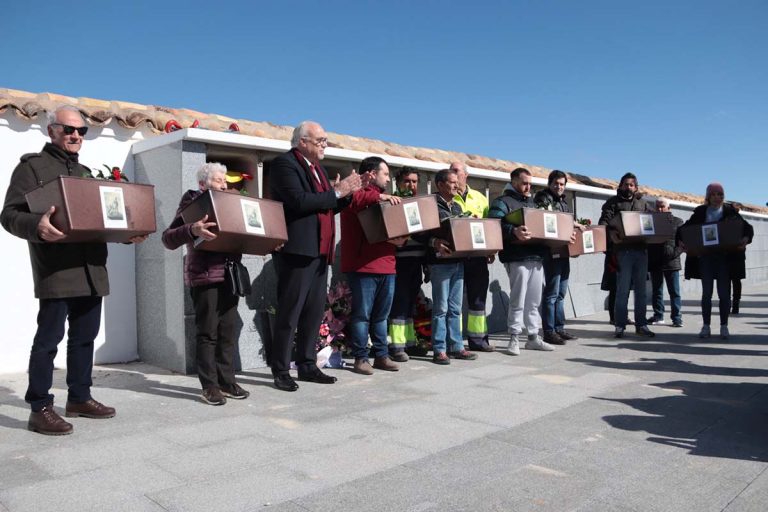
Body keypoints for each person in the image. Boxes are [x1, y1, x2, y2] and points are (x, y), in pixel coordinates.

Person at [1, 106, 147, 435]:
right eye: (69, 129)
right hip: (57, 270)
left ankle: (79, 398)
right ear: (51, 130)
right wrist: (36, 225)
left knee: (84, 339)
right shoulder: (31, 168)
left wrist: (127, 235)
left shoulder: (85, 173)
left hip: (92, 269)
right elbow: (8, 215)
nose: (76, 135)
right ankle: (39, 407)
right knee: (48, 341)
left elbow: (99, 219)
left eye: (82, 131)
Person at [268, 121, 362, 391]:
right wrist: (338, 191)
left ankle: (307, 365)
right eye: (320, 140)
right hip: (298, 250)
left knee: (313, 313)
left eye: (325, 140)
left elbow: (326, 206)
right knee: (290, 313)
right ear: (302, 142)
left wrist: (347, 194)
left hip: (320, 251)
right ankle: (281, 370)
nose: (325, 145)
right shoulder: (285, 164)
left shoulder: (318, 168)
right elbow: (298, 202)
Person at [161, 162, 250, 405]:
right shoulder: (192, 202)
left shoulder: (231, 202)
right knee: (208, 333)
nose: (224, 185)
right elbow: (168, 238)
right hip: (205, 275)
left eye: (225, 180)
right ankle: (209, 386)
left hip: (229, 275)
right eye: (218, 180)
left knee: (227, 332)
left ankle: (227, 381)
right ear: (203, 184)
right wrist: (193, 229)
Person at [341, 156, 405, 375]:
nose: (388, 179)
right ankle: (361, 358)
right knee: (362, 315)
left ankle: (381, 356)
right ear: (372, 173)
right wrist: (380, 196)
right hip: (363, 267)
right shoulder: (355, 193)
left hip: (387, 265)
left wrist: (402, 238)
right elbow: (356, 199)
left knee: (381, 316)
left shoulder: (385, 199)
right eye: (385, 174)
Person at [489, 167, 555, 355]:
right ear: (514, 181)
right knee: (517, 299)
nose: (528, 187)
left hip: (537, 257)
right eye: (524, 183)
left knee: (534, 301)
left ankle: (533, 337)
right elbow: (493, 224)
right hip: (516, 257)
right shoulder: (502, 202)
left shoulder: (533, 203)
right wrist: (513, 231)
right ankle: (514, 338)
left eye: (530, 184)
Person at [416, 169, 478, 364]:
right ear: (440, 185)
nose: (456, 185)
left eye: (457, 182)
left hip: (458, 262)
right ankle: (439, 349)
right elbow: (418, 232)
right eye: (452, 182)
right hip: (439, 264)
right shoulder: (429, 205)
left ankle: (456, 347)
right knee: (441, 309)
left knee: (455, 309)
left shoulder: (457, 207)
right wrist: (434, 242)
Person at [679, 183, 753, 339]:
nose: (717, 197)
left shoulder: (730, 211)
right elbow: (684, 229)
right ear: (708, 196)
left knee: (724, 295)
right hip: (705, 258)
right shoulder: (700, 212)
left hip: (725, 259)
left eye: (720, 194)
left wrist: (745, 239)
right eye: (713, 194)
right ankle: (706, 327)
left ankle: (724, 326)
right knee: (707, 294)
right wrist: (681, 241)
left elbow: (747, 228)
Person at [598, 172, 655, 339]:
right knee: (622, 291)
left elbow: (653, 221)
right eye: (625, 184)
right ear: (620, 186)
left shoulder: (643, 204)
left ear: (636, 187)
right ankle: (620, 325)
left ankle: (641, 325)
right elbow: (603, 223)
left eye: (631, 185)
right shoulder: (612, 203)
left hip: (641, 251)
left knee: (641, 292)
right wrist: (611, 234)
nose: (628, 187)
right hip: (622, 252)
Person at [534, 170, 585, 345]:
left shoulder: (564, 203)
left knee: (561, 293)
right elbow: (551, 219)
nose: (559, 187)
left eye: (562, 184)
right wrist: (573, 223)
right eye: (556, 183)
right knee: (552, 293)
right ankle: (549, 331)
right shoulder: (542, 198)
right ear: (549, 184)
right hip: (551, 252)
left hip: (564, 252)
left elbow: (568, 225)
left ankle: (559, 328)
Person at [450, 161, 494, 352]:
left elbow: (489, 227)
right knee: (454, 303)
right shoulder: (446, 197)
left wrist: (490, 250)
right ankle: (456, 342)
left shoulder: (480, 198)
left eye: (456, 170)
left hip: (477, 257)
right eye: (450, 170)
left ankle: (478, 340)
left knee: (478, 299)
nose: (452, 173)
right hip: (454, 257)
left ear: (466, 175)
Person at [387, 167, 426, 361]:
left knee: (411, 303)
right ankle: (397, 346)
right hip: (399, 261)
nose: (411, 185)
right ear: (398, 182)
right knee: (400, 303)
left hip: (417, 260)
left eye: (414, 181)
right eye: (407, 181)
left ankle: (409, 343)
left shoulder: (420, 205)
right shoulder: (392, 203)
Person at [646, 197, 684, 327]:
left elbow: (682, 242)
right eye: (657, 206)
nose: (659, 209)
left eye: (662, 206)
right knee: (657, 291)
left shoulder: (678, 222)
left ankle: (677, 318)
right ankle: (658, 316)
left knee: (674, 292)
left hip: (672, 262)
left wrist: (674, 253)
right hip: (655, 261)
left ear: (669, 208)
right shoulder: (650, 222)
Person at [729, 202, 745, 314]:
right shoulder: (725, 220)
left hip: (737, 256)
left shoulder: (741, 221)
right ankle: (731, 303)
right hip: (728, 256)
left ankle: (735, 304)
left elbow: (748, 233)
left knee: (735, 281)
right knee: (732, 282)